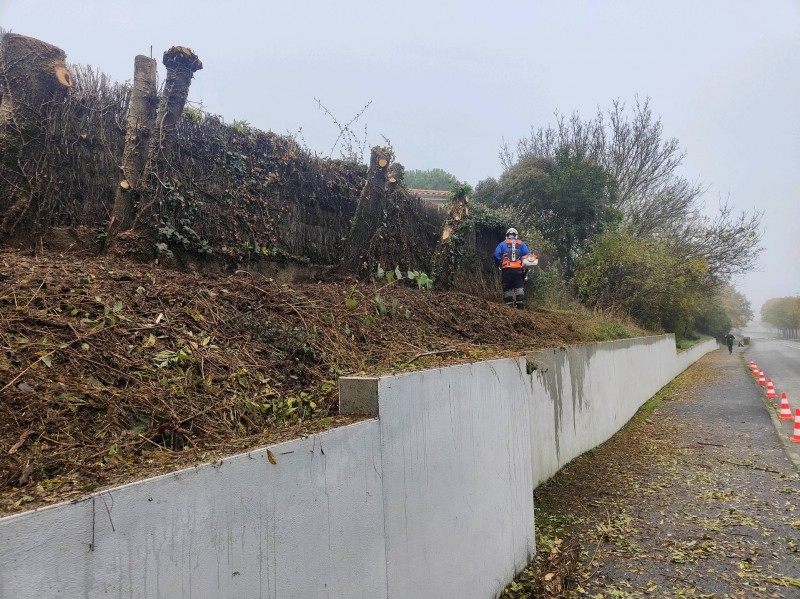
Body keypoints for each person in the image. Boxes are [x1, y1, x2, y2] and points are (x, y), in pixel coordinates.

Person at [494, 227, 534, 309]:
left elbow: (496, 255)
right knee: (519, 286)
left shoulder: (502, 244)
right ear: (516, 235)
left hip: (506, 270)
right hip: (518, 270)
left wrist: (498, 264)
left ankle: (508, 306)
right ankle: (520, 305)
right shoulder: (521, 243)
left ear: (507, 235)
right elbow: (528, 255)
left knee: (507, 288)